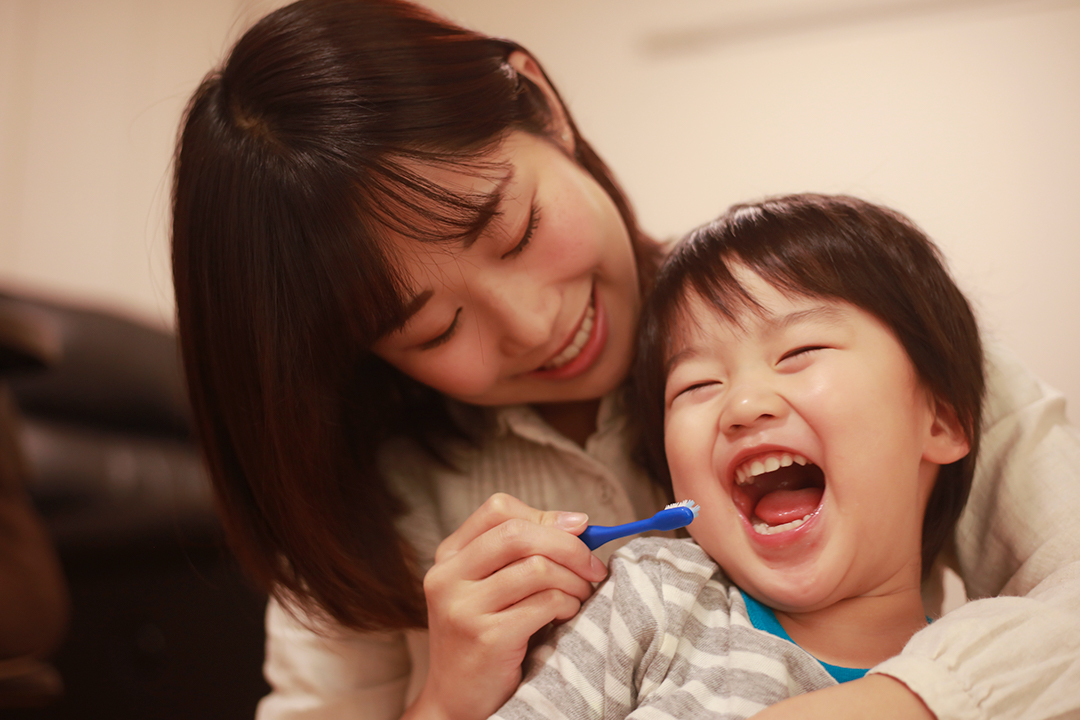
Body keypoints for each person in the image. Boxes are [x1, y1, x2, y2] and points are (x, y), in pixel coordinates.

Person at [169, 1, 1080, 719]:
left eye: (516, 230)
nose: (533, 324)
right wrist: (445, 701)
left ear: (543, 105)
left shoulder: (865, 320)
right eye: (436, 329)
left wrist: (888, 703)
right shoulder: (364, 494)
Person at [493, 193, 982, 719]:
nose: (743, 407)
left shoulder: (985, 676)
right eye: (697, 385)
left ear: (940, 421)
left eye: (799, 352)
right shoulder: (653, 598)